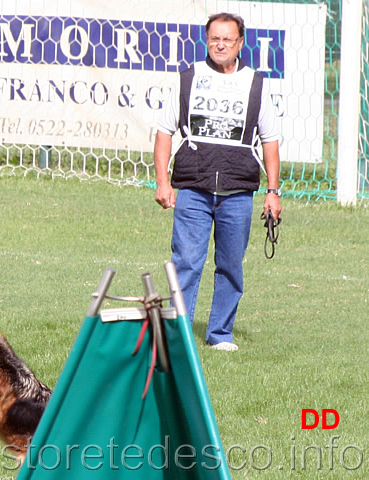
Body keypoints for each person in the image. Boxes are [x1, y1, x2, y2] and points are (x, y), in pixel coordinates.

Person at [153, 12, 282, 352]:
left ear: (240, 43)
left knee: (230, 266)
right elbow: (164, 132)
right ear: (206, 40)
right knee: (186, 263)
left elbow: (269, 140)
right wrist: (163, 182)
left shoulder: (256, 83)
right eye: (214, 38)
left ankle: (220, 334)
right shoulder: (188, 78)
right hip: (192, 190)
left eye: (228, 39)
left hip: (238, 193)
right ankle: (178, 336)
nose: (220, 44)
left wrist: (273, 191)